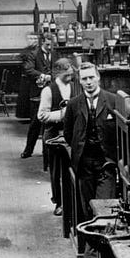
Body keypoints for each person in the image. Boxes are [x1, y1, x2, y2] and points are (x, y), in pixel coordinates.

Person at [63, 61, 121, 258]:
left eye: (91, 78)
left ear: (98, 78)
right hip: (84, 164)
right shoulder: (74, 104)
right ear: (80, 81)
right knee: (88, 211)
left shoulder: (113, 100)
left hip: (106, 163)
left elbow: (119, 131)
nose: (88, 82)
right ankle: (95, 255)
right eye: (84, 79)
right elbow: (69, 133)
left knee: (103, 209)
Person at [38, 58, 74, 216]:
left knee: (71, 169)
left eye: (71, 73)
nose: (70, 76)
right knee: (56, 170)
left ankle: (71, 201)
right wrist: (62, 114)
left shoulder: (74, 87)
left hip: (71, 133)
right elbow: (42, 115)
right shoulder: (48, 90)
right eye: (66, 74)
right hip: (53, 134)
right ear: (57, 73)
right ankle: (59, 202)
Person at [20, 33, 55, 158]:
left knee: (50, 125)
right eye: (47, 45)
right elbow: (28, 69)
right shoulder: (33, 54)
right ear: (42, 43)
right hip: (37, 93)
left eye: (52, 45)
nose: (50, 47)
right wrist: (42, 75)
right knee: (35, 123)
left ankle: (47, 152)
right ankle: (28, 151)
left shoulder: (55, 54)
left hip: (52, 92)